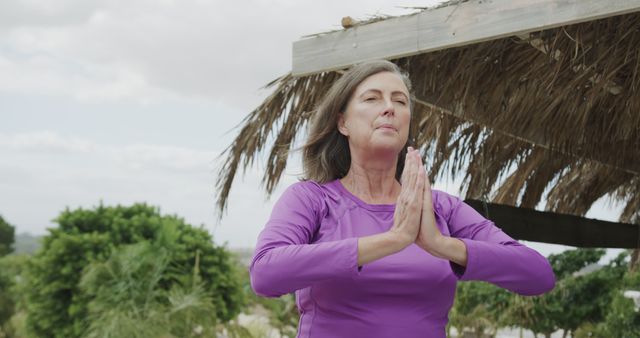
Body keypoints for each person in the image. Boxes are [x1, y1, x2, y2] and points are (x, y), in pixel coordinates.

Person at [249, 60, 555, 338]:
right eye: (372, 99)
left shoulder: (440, 208)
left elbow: (538, 275)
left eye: (400, 101)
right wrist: (393, 240)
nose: (389, 108)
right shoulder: (312, 199)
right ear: (343, 123)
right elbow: (265, 274)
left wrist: (441, 245)